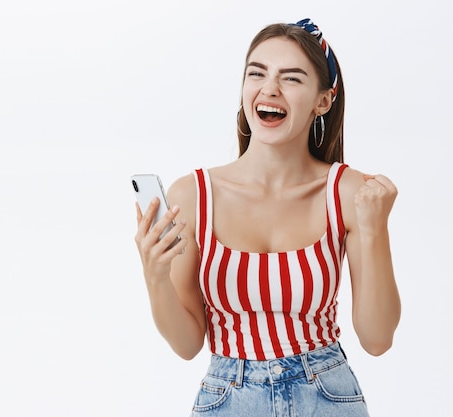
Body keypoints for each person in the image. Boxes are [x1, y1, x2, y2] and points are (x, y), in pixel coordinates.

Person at [133, 18, 401, 416]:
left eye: (291, 79)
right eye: (256, 73)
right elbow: (188, 344)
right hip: (228, 396)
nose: (269, 88)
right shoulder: (192, 196)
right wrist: (154, 276)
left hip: (327, 395)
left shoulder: (349, 193)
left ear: (323, 100)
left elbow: (377, 339)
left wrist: (375, 228)